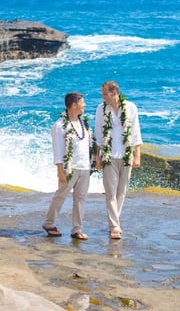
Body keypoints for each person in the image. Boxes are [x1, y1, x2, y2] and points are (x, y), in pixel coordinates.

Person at [43, 92, 94, 240]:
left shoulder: (84, 123)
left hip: (85, 167)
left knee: (80, 199)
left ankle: (77, 229)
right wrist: (60, 170)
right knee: (60, 195)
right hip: (69, 168)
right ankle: (49, 223)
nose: (84, 105)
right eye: (82, 103)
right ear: (74, 105)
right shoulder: (60, 125)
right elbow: (58, 149)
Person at [94, 80, 142, 239]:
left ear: (114, 93)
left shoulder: (131, 108)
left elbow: (136, 133)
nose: (102, 97)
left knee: (121, 192)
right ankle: (115, 226)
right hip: (109, 157)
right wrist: (97, 158)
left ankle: (114, 221)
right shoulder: (101, 109)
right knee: (110, 193)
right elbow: (98, 136)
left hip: (126, 155)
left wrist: (137, 156)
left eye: (104, 94)